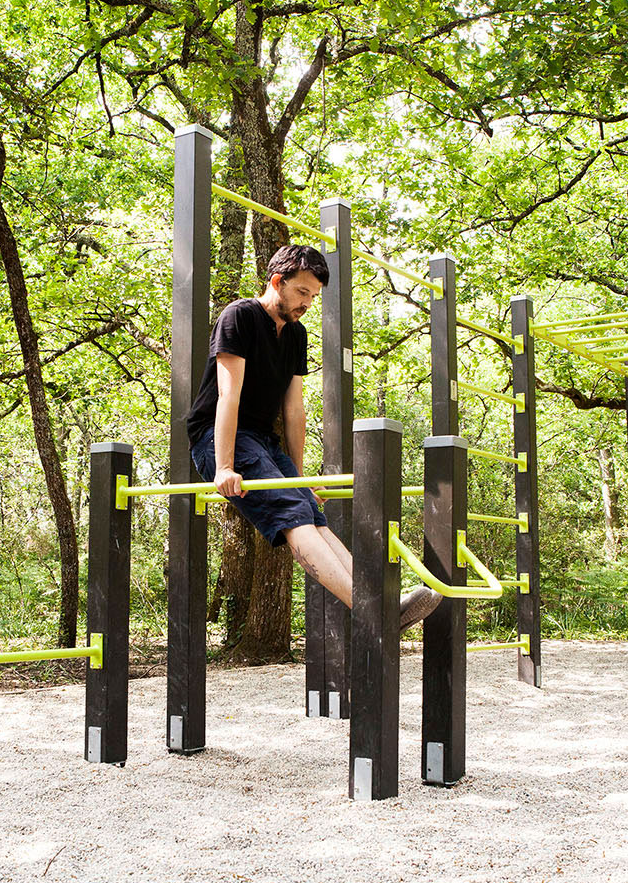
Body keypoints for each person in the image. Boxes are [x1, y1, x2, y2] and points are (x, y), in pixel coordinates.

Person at [185, 243, 442, 633]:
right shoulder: (239, 316)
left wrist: (301, 479)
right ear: (277, 281)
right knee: (292, 514)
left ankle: (380, 600)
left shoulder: (296, 335)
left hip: (262, 440)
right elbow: (227, 395)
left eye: (314, 296)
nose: (307, 303)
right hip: (218, 437)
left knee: (311, 513)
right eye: (302, 292)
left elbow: (294, 410)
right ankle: (375, 610)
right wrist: (223, 466)